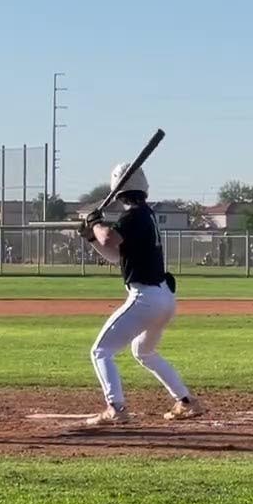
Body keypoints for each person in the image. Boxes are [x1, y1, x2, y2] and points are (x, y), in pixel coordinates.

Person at [79, 162, 202, 425]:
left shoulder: (133, 216)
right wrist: (91, 235)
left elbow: (109, 238)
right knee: (144, 352)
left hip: (145, 297)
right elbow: (115, 254)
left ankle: (116, 408)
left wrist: (97, 224)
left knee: (100, 351)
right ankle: (186, 401)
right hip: (164, 298)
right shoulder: (144, 215)